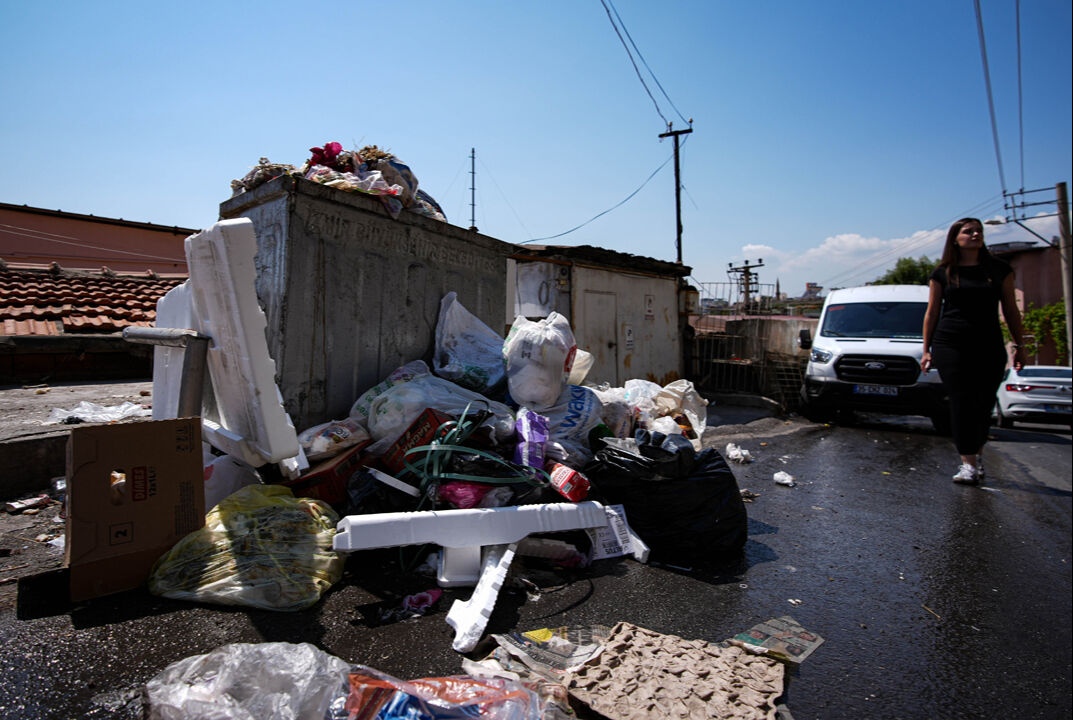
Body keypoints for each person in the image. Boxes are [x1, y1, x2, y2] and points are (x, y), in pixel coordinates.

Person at [921, 217, 1026, 484]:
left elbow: (1011, 311)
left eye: (979, 230)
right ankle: (967, 463)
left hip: (988, 344)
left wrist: (1020, 346)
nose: (975, 234)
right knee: (960, 401)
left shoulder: (999, 270)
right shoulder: (943, 272)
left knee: (983, 404)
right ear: (955, 238)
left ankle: (976, 458)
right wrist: (926, 349)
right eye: (968, 231)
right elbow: (932, 313)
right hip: (950, 343)